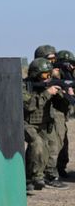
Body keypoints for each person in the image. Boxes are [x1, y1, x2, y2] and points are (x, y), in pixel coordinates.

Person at [24, 58, 70, 190]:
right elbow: (29, 105)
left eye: (50, 74)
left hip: (45, 124)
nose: (48, 78)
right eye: (45, 75)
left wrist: (65, 95)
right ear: (35, 74)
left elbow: (62, 107)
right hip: (27, 123)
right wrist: (47, 93)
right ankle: (33, 177)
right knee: (37, 144)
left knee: (52, 148)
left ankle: (49, 176)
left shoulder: (49, 86)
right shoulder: (24, 86)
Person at [54, 49, 75, 178]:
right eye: (66, 64)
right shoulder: (55, 76)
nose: (70, 67)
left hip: (63, 113)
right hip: (55, 113)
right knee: (57, 141)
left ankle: (60, 167)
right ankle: (53, 171)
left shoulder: (69, 76)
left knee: (63, 140)